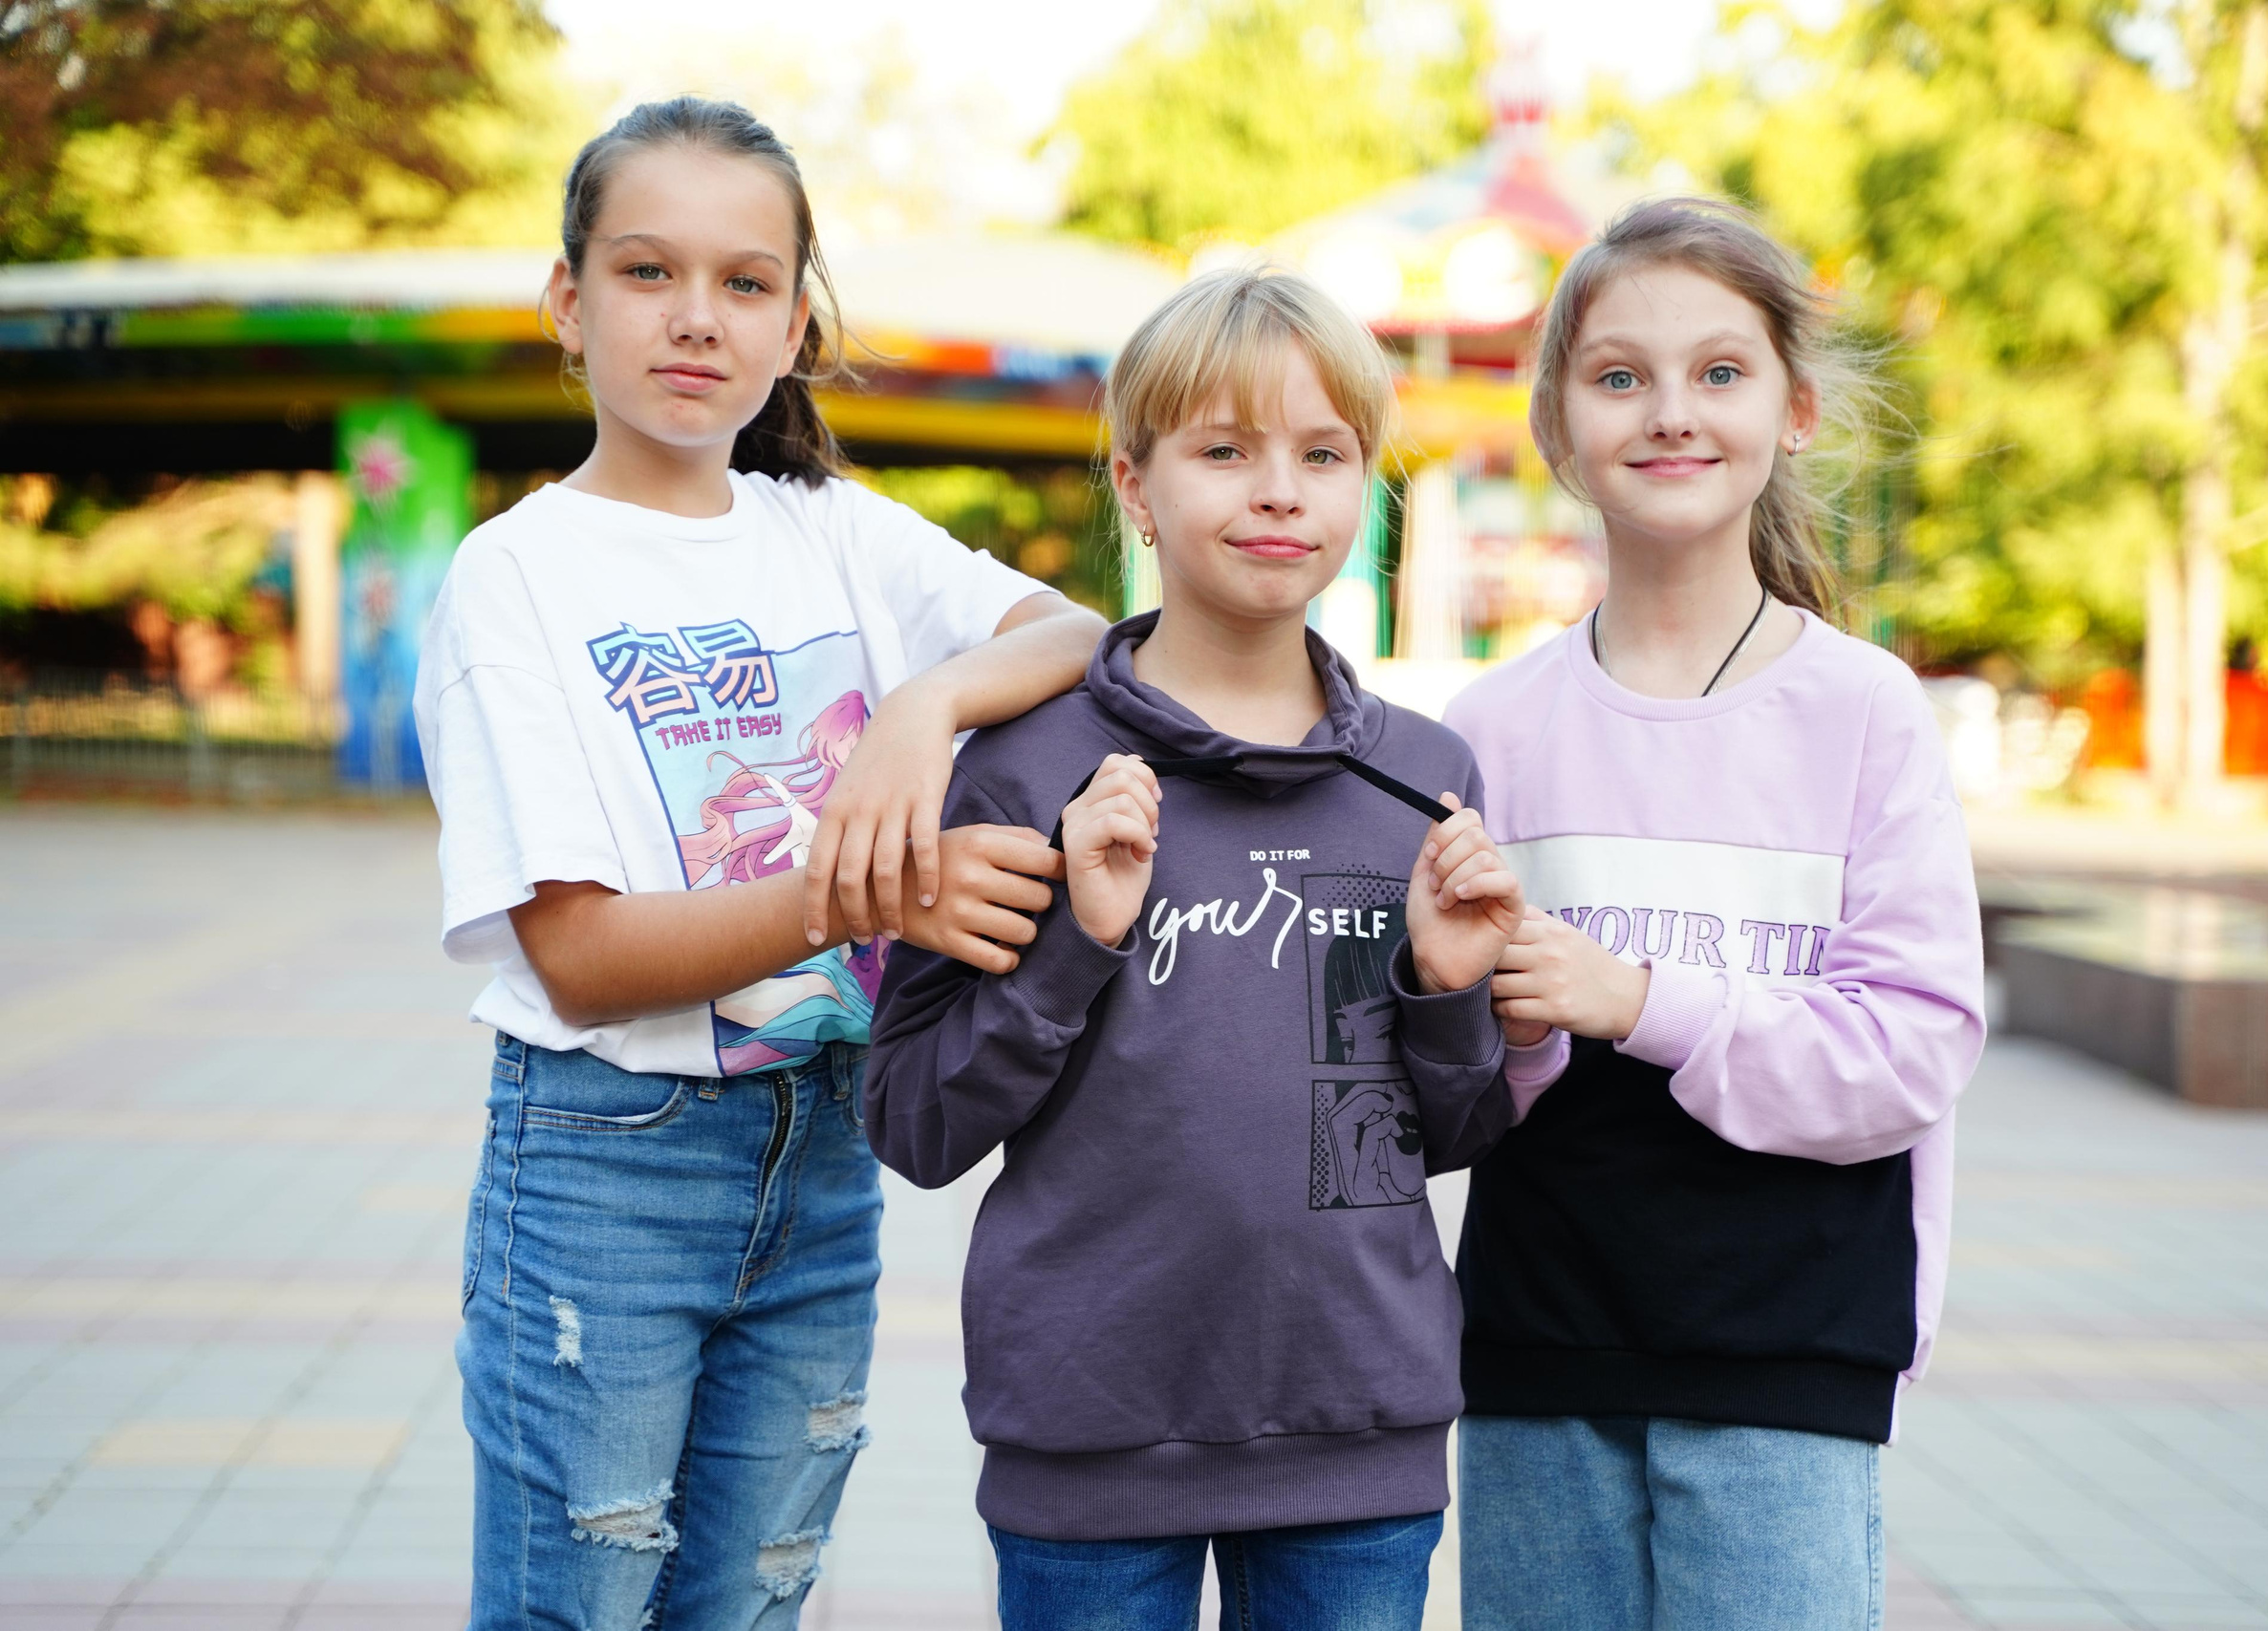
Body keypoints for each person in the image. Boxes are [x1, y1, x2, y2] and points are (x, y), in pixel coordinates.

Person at [412, 97, 1105, 1629]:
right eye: (650, 273)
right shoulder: (516, 576)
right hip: (604, 1163)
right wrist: (858, 891)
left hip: (824, 1152)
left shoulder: (835, 532)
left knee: (750, 1607)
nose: (697, 320)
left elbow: (1080, 641)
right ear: (568, 301)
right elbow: (582, 962)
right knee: (573, 1608)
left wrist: (923, 706)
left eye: (745, 284)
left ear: (796, 322)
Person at [863, 268, 1529, 1631]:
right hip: (1089, 1435)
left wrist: (1449, 990)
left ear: (1364, 490)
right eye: (1225, 450)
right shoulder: (1024, 765)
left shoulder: (1422, 773)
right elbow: (914, 1124)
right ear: (1135, 482)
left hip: (1358, 1436)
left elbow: (1450, 1131)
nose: (1278, 491)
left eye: (1323, 455)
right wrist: (1074, 948)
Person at [1442, 197, 1987, 1630]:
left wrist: (1639, 1003)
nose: (1670, 412)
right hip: (1535, 1357)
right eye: (1619, 375)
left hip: (1787, 1368)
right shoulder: (1488, 730)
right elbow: (1443, 1087)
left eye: (1720, 373)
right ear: (1558, 425)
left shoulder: (1864, 712)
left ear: (1795, 410)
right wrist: (1484, 1018)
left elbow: (1916, 1049)